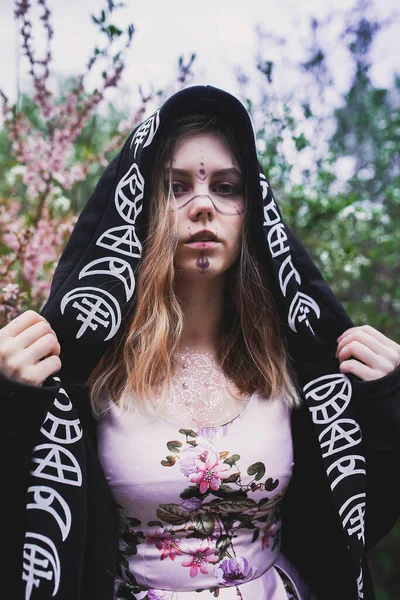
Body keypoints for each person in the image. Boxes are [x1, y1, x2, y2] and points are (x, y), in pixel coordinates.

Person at [0, 85, 399, 600]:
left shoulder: (295, 364)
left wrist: (389, 404)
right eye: (176, 187)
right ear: (143, 206)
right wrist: (9, 407)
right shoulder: (87, 370)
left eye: (228, 187)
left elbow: (356, 523)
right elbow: (24, 520)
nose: (204, 205)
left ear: (251, 211)